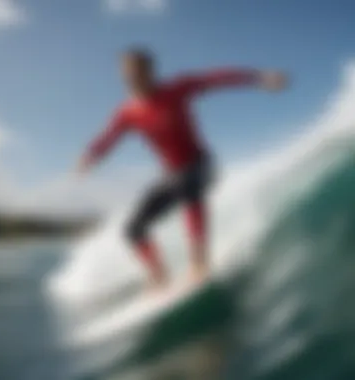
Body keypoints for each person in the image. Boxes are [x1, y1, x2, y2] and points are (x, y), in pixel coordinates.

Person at [77, 48, 288, 291]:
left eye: (137, 73)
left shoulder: (176, 89)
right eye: (126, 75)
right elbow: (109, 136)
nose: (131, 79)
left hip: (200, 165)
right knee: (132, 229)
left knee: (186, 185)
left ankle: (199, 261)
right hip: (171, 175)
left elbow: (216, 79)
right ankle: (159, 276)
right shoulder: (127, 113)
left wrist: (258, 78)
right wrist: (91, 156)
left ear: (150, 72)